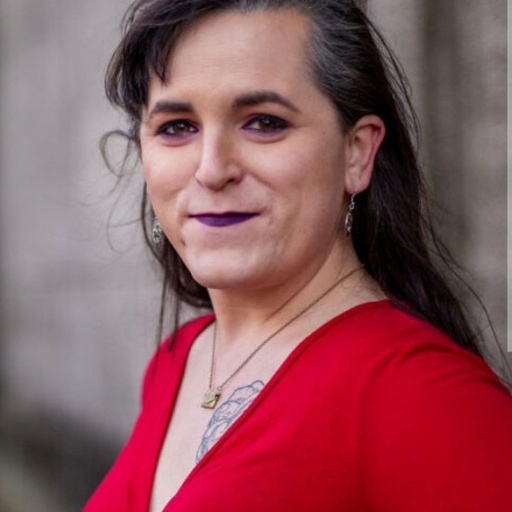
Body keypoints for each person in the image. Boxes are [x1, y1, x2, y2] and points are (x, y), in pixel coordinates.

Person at [84, 0, 512, 510]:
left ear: (357, 152)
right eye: (177, 126)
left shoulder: (423, 392)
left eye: (264, 122)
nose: (212, 169)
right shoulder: (178, 359)